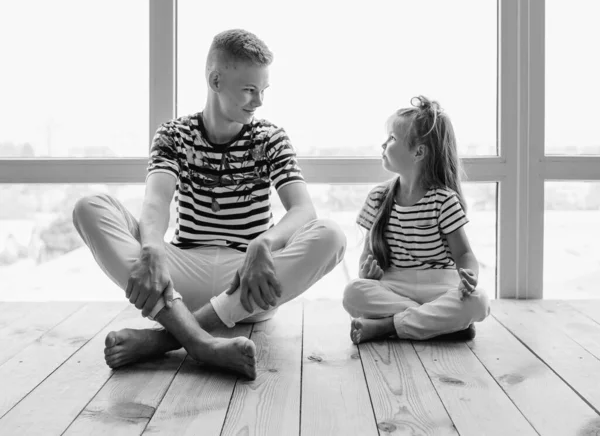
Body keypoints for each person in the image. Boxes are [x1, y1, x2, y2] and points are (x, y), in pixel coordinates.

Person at [72, 29, 346, 379]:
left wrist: (264, 243)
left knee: (332, 235)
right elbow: (157, 199)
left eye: (263, 91)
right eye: (249, 90)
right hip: (179, 277)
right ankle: (202, 343)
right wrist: (153, 249)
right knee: (89, 207)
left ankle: (164, 340)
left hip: (247, 283)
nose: (258, 101)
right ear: (215, 80)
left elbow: (303, 210)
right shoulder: (174, 134)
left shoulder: (270, 137)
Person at [342, 96, 490, 344]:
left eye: (391, 138)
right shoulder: (378, 197)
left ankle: (388, 325)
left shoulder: (444, 200)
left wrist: (470, 276)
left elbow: (464, 255)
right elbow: (367, 258)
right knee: (353, 293)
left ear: (418, 152)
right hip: (395, 285)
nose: (383, 144)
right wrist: (367, 272)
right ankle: (440, 324)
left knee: (479, 302)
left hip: (439, 286)